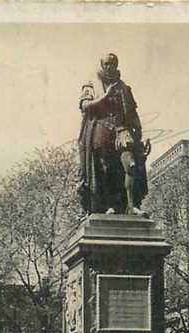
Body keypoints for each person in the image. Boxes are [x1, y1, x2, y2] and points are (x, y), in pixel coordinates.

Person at [77, 53, 150, 216]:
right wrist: (105, 96)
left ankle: (132, 205)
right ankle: (108, 205)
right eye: (107, 63)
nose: (110, 66)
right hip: (101, 127)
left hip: (122, 129)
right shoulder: (91, 84)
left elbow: (132, 113)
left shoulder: (124, 87)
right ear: (102, 64)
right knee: (106, 167)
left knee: (130, 164)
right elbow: (85, 105)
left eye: (113, 63)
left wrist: (139, 136)